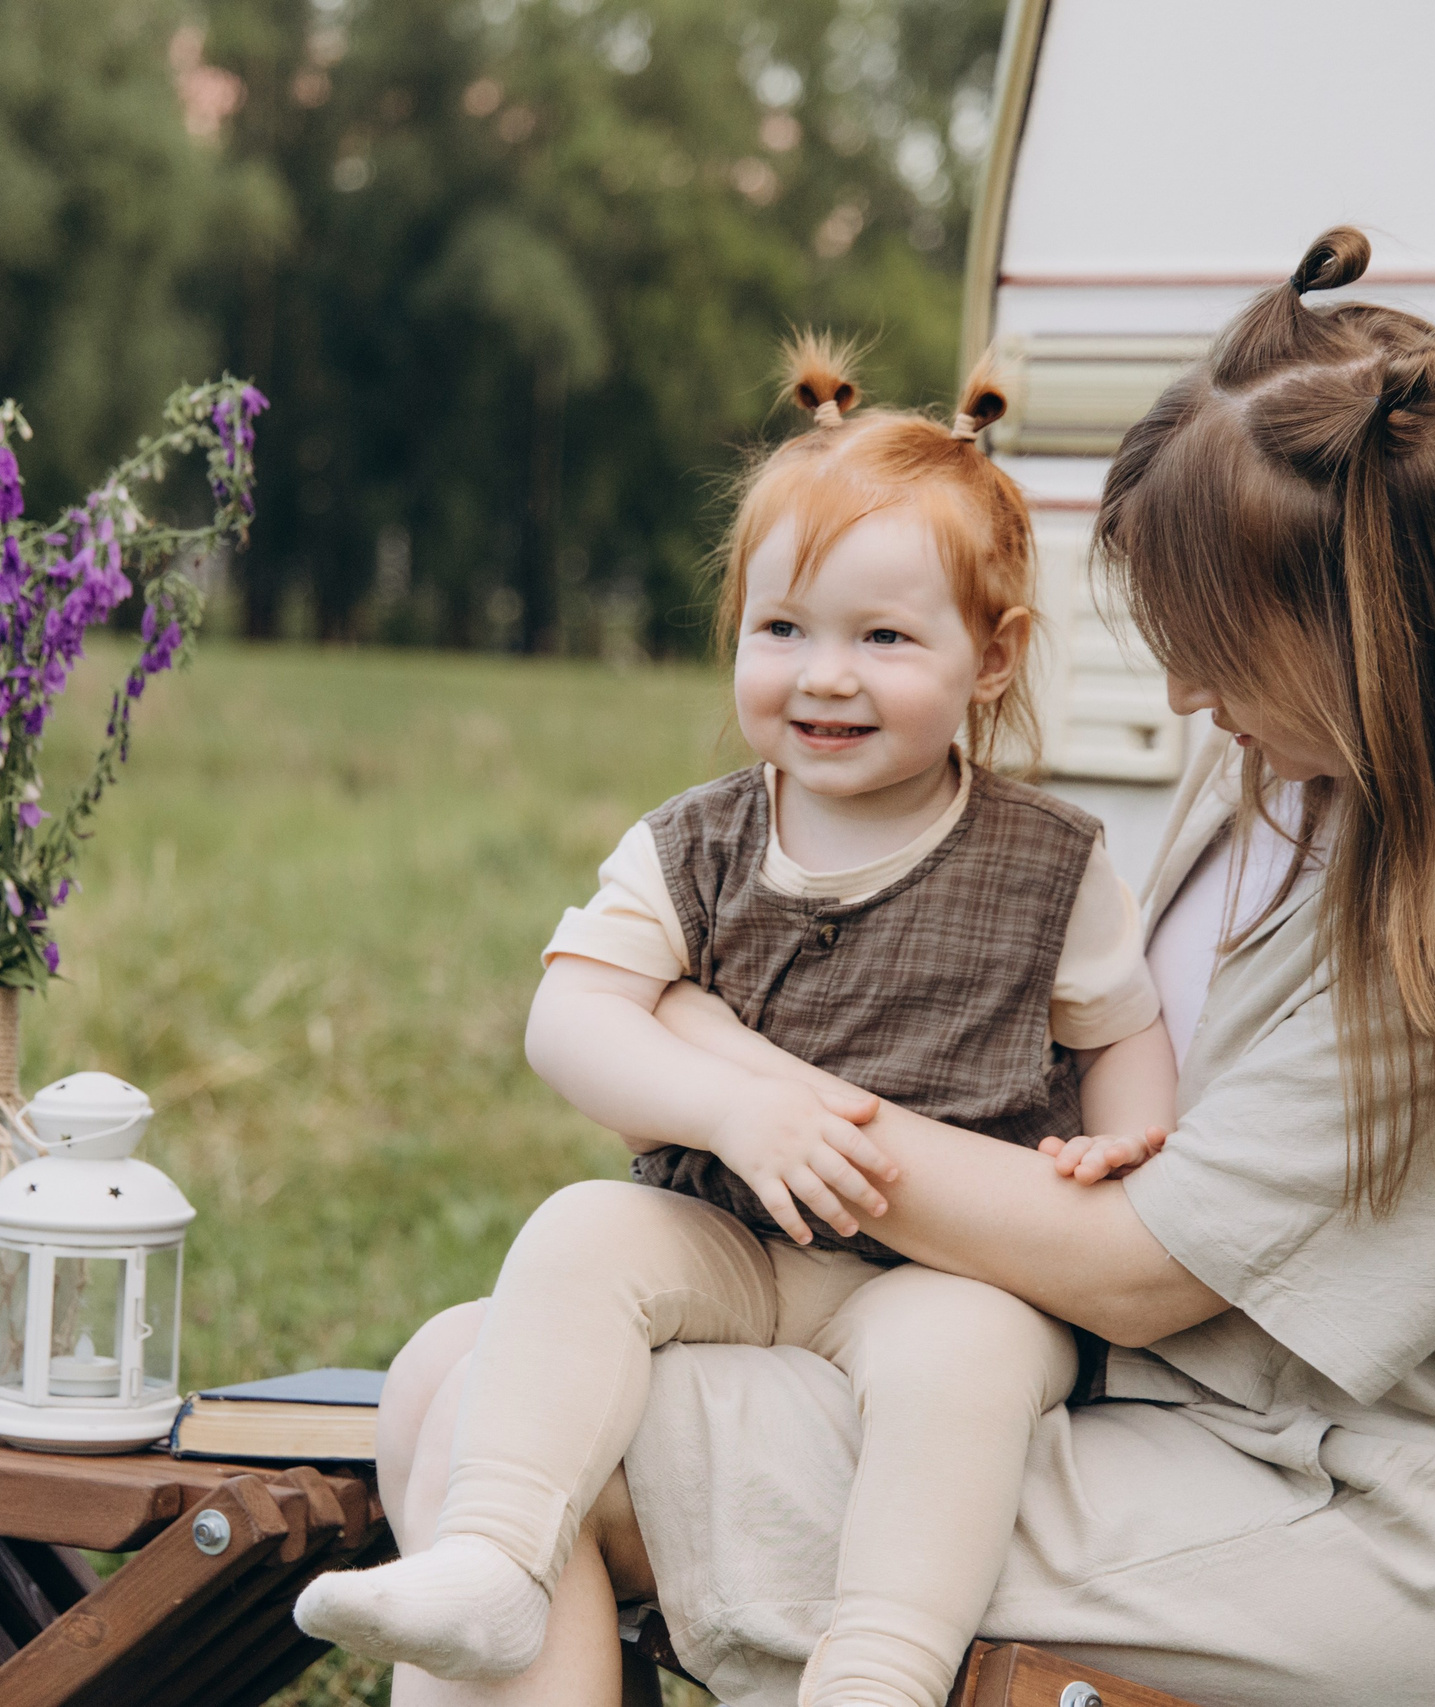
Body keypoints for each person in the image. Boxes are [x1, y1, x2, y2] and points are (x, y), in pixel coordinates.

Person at [364, 226, 1435, 1707]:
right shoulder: (1306, 766)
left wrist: (721, 1059)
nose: (1189, 694)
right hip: (1127, 1407)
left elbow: (1134, 1274)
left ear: (1375, 640)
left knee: (482, 1403)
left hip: (1299, 1506)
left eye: (1222, 649)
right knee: (461, 1371)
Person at [298, 337, 1178, 1707]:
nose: (824, 676)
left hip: (939, 1273)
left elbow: (1118, 1029)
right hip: (727, 1234)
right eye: (784, 631)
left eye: (883, 637)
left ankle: (878, 1672)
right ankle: (494, 1553)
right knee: (580, 1233)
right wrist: (728, 1106)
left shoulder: (1051, 864)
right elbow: (572, 1017)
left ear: (991, 656)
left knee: (973, 1362)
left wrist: (1125, 1147)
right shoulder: (695, 845)